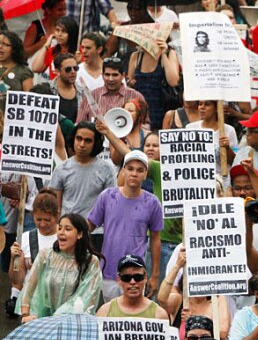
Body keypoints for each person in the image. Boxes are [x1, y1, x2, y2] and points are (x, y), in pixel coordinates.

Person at [88, 150, 163, 300]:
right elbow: (89, 226)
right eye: (130, 169)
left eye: (140, 170)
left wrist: (155, 275)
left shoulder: (152, 203)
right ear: (123, 171)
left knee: (134, 313)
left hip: (136, 275)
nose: (134, 174)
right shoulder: (107, 197)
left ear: (146, 174)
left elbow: (155, 238)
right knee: (108, 313)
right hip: (108, 272)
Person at [18, 214, 103, 321]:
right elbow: (29, 287)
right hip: (41, 319)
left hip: (72, 322)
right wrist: (25, 314)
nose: (61, 232)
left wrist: (58, 319)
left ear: (79, 234)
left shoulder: (91, 262)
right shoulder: (45, 256)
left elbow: (88, 298)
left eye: (67, 229)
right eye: (59, 228)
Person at [49, 122, 116, 250]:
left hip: (96, 234)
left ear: (95, 143)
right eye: (78, 138)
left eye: (87, 141)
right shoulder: (61, 169)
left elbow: (109, 207)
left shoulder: (107, 170)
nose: (82, 144)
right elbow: (55, 206)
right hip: (67, 232)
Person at [9, 190, 59, 311]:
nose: (42, 224)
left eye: (47, 220)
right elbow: (17, 280)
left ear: (57, 216)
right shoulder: (24, 239)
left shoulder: (64, 237)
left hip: (57, 303)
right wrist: (14, 259)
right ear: (33, 216)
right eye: (38, 219)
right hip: (31, 306)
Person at [127, 35, 180, 130]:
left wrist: (163, 54)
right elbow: (130, 84)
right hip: (142, 111)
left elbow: (174, 82)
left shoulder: (169, 53)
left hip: (162, 109)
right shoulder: (136, 56)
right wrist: (131, 82)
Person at [96, 254, 169, 320]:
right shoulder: (104, 312)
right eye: (126, 278)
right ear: (119, 280)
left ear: (145, 278)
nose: (132, 282)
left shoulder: (159, 315)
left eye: (138, 277)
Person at [76, 56, 146, 122]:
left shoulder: (136, 96)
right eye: (107, 75)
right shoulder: (91, 97)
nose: (111, 79)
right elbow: (80, 123)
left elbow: (145, 124)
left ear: (123, 76)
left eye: (115, 75)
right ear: (102, 75)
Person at [186, 100, 238, 177]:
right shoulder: (190, 128)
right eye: (200, 104)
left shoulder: (229, 130)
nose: (202, 107)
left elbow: (235, 161)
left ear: (216, 108)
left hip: (221, 179)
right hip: (197, 178)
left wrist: (227, 148)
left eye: (207, 104)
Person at [30, 15, 77, 81]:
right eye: (57, 30)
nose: (59, 34)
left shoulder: (79, 52)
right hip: (54, 86)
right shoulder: (52, 51)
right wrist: (46, 45)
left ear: (72, 33)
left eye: (64, 31)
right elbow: (35, 68)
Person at [48, 52, 84, 122]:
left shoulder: (83, 92)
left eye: (75, 68)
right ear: (57, 71)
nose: (73, 72)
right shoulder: (47, 89)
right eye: (68, 69)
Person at [0, 31, 34, 100]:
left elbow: (29, 99)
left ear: (14, 49)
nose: (0, 46)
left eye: (6, 45)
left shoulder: (23, 71)